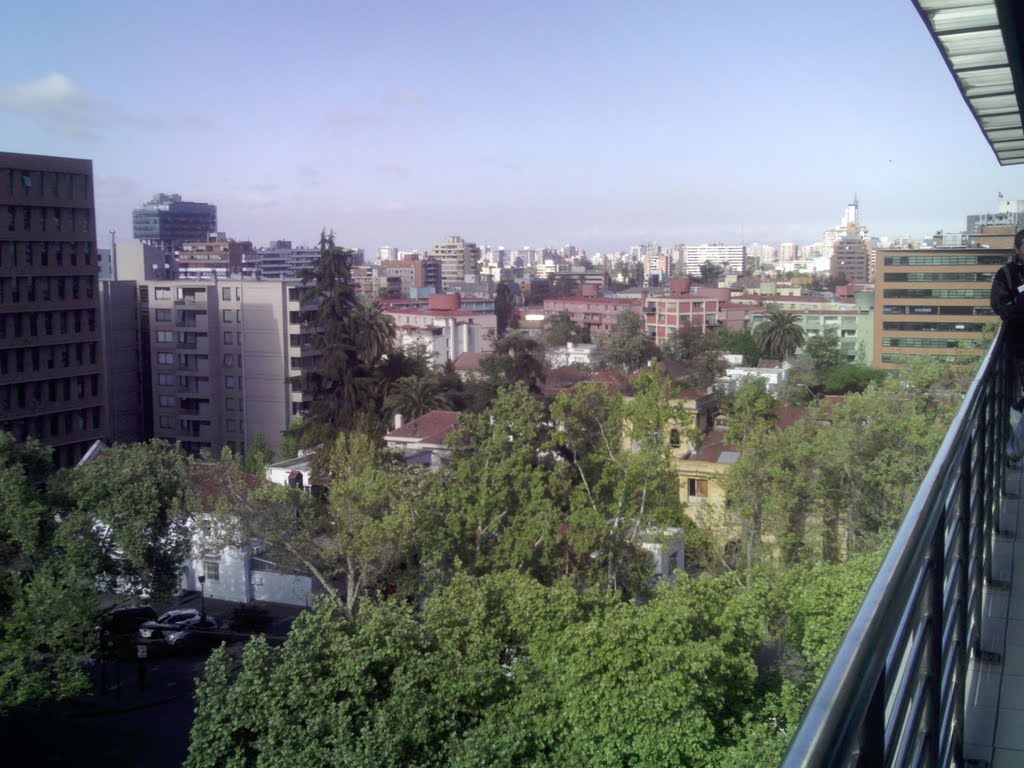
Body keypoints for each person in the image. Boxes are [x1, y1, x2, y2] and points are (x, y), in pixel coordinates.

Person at [990, 229, 1024, 461]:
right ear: (1017, 249)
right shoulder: (1007, 275)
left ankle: (1015, 447)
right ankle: (1014, 448)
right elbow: (1000, 308)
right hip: (1020, 347)